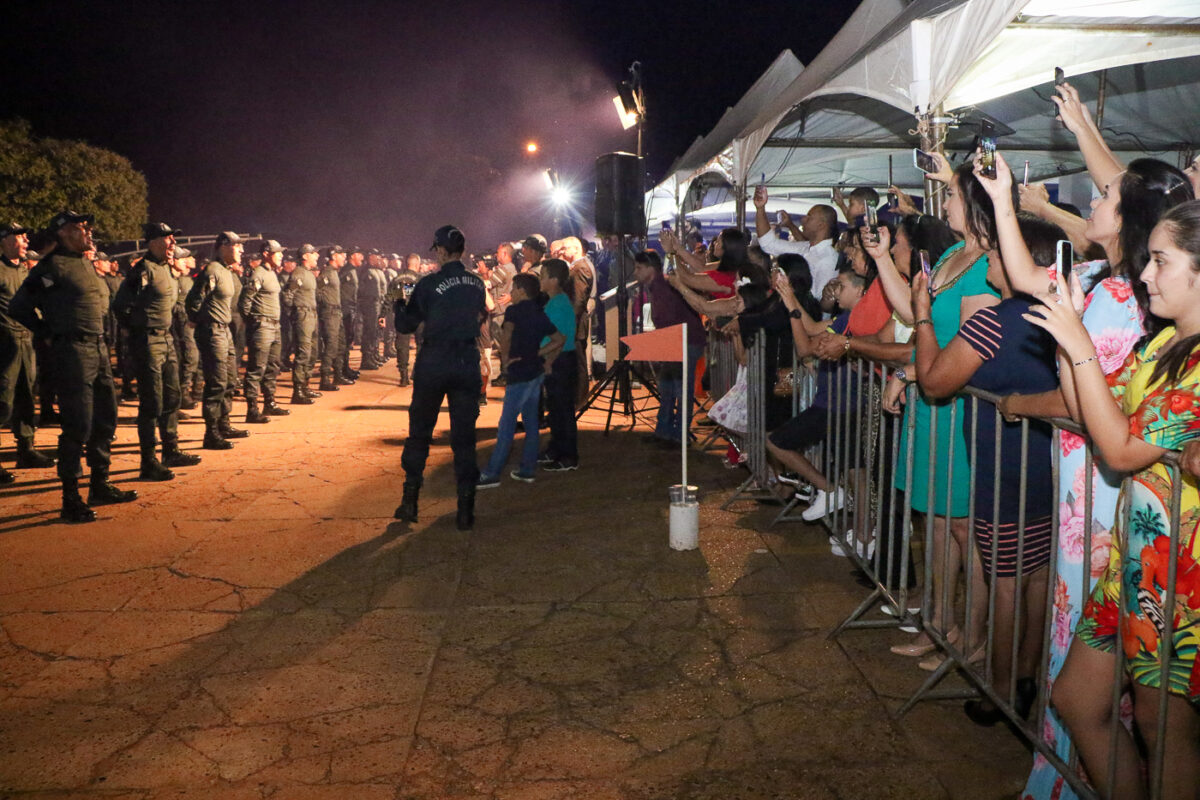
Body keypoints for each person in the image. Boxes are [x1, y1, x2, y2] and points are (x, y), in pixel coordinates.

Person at [1025, 200, 1200, 800]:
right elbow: (1097, 407)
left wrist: (1077, 346)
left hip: (1176, 578)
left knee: (1163, 731)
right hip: (1134, 561)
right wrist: (1069, 333)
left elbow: (1120, 453)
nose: (1146, 275)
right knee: (1074, 698)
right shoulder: (1164, 347)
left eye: (1160, 261)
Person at [912, 213, 1067, 726]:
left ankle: (998, 692)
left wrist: (923, 319)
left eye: (998, 253)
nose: (992, 260)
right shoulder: (1063, 316)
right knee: (1039, 577)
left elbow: (934, 381)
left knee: (1005, 582)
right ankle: (1026, 676)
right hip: (1050, 469)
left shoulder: (993, 321)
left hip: (1001, 470)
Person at [888, 160, 1005, 668]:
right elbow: (922, 324)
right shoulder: (955, 253)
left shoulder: (986, 266)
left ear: (975, 202)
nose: (945, 204)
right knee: (934, 521)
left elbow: (968, 347)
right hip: (930, 404)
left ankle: (972, 638)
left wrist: (914, 372)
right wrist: (909, 370)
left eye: (953, 194)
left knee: (964, 529)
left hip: (958, 407)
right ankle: (938, 623)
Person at [9, 211, 138, 522]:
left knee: (105, 419)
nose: (88, 231)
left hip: (98, 348)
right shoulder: (51, 267)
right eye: (81, 228)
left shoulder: (84, 262)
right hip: (73, 352)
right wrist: (47, 333)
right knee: (77, 425)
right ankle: (70, 497)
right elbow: (19, 306)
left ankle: (100, 484)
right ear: (63, 233)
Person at [393, 225, 487, 531]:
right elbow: (480, 315)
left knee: (420, 432)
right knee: (464, 438)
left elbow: (406, 325)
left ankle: (410, 502)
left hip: (435, 361)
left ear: (442, 251)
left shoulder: (429, 283)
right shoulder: (476, 283)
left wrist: (398, 303)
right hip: (465, 361)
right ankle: (465, 508)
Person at [112, 222, 202, 480]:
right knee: (152, 402)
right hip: (148, 342)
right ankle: (148, 461)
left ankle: (171, 449)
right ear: (152, 241)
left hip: (166, 340)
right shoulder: (143, 270)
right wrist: (138, 331)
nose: (173, 243)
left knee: (172, 397)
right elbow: (121, 307)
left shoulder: (166, 271)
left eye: (174, 239)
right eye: (167, 239)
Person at [476, 272, 564, 488]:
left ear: (522, 291)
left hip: (519, 372)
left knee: (506, 424)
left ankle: (492, 473)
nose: (510, 293)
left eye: (513, 289)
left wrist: (506, 360)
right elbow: (559, 339)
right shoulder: (539, 312)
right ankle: (527, 469)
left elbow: (506, 336)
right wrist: (539, 355)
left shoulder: (514, 311)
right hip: (535, 371)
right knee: (531, 422)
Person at [631, 250, 705, 446]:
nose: (635, 272)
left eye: (639, 268)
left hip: (685, 341)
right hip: (679, 340)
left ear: (651, 269)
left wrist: (659, 346)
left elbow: (669, 320)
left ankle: (678, 435)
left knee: (679, 389)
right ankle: (666, 431)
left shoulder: (663, 287)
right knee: (668, 387)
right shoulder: (657, 286)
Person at [0, 221, 54, 482]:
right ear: (6, 240)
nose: (26, 242)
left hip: (26, 342)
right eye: (21, 237)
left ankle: (26, 450)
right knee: (2, 400)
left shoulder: (24, 271)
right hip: (3, 344)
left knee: (25, 397)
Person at [186, 231, 249, 449]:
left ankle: (224, 424)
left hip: (225, 331)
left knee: (230, 378)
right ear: (224, 246)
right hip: (213, 332)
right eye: (237, 246)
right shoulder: (212, 270)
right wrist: (199, 321)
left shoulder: (226, 271)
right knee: (217, 382)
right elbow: (194, 299)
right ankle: (211, 433)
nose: (242, 250)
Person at [754, 188, 841, 301]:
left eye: (809, 217)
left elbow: (820, 300)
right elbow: (769, 244)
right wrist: (760, 208)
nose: (803, 220)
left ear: (821, 225)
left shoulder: (829, 259)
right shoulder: (803, 247)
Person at [239, 240, 289, 423]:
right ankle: (252, 410)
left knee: (273, 365)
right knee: (256, 368)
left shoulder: (272, 274)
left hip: (274, 326)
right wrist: (253, 322)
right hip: (262, 326)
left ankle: (270, 402)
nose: (281, 255)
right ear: (267, 253)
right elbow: (245, 302)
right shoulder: (258, 274)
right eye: (278, 252)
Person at [538, 259, 579, 472]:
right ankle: (555, 448)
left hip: (560, 360)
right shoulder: (554, 301)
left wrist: (547, 361)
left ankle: (568, 456)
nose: (540, 279)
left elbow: (561, 338)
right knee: (555, 409)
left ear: (554, 280)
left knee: (562, 410)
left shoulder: (560, 303)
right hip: (557, 359)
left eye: (543, 275)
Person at [283, 243, 321, 404]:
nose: (317, 256)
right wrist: (295, 313)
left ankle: (305, 386)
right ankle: (297, 391)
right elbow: (287, 295)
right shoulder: (298, 273)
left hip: (311, 314)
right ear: (305, 256)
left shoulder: (309, 274)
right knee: (303, 352)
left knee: (312, 351)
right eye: (313, 253)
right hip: (303, 314)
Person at [561, 237, 596, 408]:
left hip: (575, 324)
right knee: (576, 361)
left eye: (565, 248)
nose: (563, 251)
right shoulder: (577, 267)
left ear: (576, 249)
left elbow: (578, 301)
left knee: (579, 362)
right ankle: (578, 398)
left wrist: (570, 324)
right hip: (574, 322)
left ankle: (580, 400)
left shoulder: (580, 269)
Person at [317, 245, 350, 391]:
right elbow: (317, 292)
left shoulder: (335, 273)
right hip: (330, 313)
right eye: (342, 255)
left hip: (337, 313)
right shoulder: (327, 273)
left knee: (341, 344)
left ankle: (338, 374)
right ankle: (325, 378)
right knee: (331, 346)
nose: (345, 257)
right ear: (334, 255)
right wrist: (325, 305)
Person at [388, 254, 421, 387]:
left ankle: (403, 376)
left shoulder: (397, 279)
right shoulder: (419, 279)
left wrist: (382, 315)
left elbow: (390, 298)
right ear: (417, 265)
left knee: (402, 346)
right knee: (422, 345)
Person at [358, 249, 387, 369]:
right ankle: (366, 358)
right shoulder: (365, 271)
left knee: (375, 331)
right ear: (369, 257)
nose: (378, 259)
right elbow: (362, 290)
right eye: (375, 257)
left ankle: (372, 355)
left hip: (378, 304)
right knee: (369, 331)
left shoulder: (377, 271)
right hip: (370, 305)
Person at [340, 247, 362, 379]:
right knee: (344, 340)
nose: (362, 258)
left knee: (348, 340)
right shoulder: (347, 271)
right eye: (359, 255)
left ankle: (345, 367)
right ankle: (342, 369)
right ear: (353, 255)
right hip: (345, 310)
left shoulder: (352, 270)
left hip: (350, 309)